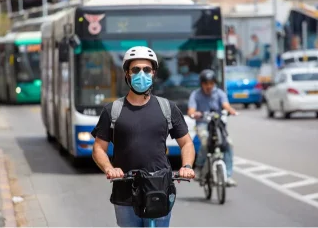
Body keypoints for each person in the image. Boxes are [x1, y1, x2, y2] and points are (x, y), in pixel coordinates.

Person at [91, 46, 196, 227]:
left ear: (154, 73)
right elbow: (98, 149)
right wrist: (110, 169)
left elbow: (186, 143)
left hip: (159, 190)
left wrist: (186, 166)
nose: (142, 74)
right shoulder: (113, 110)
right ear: (127, 74)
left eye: (147, 70)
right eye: (136, 70)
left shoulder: (167, 108)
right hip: (124, 192)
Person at [187, 69, 237, 187]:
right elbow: (191, 111)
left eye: (211, 83)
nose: (209, 86)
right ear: (202, 84)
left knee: (228, 144)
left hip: (217, 124)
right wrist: (195, 114)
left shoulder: (219, 93)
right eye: (206, 83)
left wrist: (231, 111)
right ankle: (199, 168)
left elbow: (226, 105)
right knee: (205, 143)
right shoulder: (195, 95)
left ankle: (228, 176)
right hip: (203, 124)